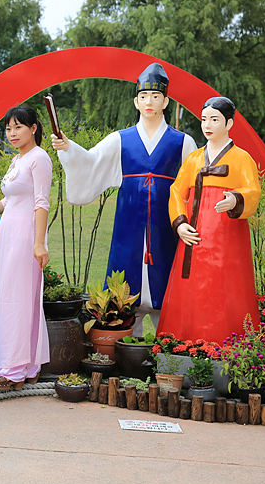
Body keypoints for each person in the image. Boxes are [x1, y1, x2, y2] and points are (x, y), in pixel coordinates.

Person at [51, 63, 197, 333]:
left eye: (155, 97)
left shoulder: (182, 142)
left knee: (166, 276)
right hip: (129, 220)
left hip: (167, 223)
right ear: (136, 101)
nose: (149, 102)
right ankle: (125, 339)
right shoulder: (120, 139)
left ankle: (171, 344)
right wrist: (68, 147)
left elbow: (193, 185)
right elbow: (90, 161)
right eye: (143, 97)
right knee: (126, 275)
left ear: (165, 101)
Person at [157, 97, 261, 343]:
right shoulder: (193, 159)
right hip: (194, 236)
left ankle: (226, 343)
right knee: (189, 290)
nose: (208, 125)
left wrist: (236, 199)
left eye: (215, 119)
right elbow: (176, 192)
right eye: (204, 119)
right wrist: (180, 223)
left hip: (227, 240)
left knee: (227, 288)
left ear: (229, 123)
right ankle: (183, 342)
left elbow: (253, 192)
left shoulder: (241, 159)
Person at [0, 105, 52, 390]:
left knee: (20, 300)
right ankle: (28, 366)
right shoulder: (18, 159)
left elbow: (41, 202)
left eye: (19, 127)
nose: (12, 133)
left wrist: (39, 243)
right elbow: (9, 201)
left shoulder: (39, 158)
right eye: (9, 129)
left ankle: (13, 368)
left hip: (26, 237)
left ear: (34, 128)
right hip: (8, 235)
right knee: (13, 297)